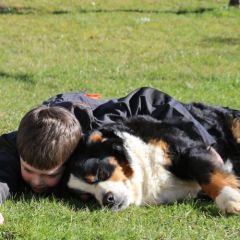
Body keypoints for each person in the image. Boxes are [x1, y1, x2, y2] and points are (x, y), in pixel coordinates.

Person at [0, 87, 239, 224]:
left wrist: (207, 146)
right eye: (29, 169)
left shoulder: (98, 124)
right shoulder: (21, 143)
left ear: (69, 158)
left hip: (213, 123)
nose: (37, 181)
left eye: (49, 173)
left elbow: (150, 98)